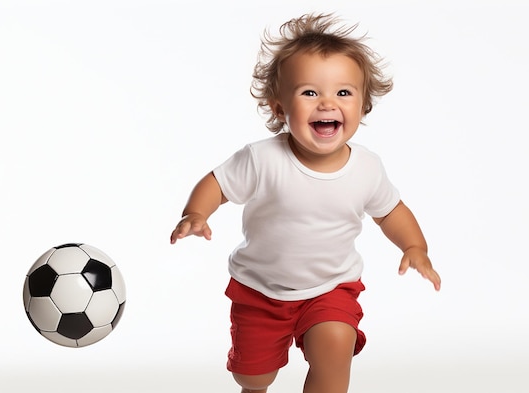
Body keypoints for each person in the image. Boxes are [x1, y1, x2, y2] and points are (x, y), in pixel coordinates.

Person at [170, 13, 441, 393]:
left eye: (344, 93)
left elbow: (391, 211)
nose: (327, 103)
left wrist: (415, 246)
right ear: (280, 107)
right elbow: (217, 184)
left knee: (335, 346)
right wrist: (196, 213)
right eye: (309, 93)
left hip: (332, 288)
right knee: (253, 376)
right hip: (260, 290)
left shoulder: (366, 168)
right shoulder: (263, 159)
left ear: (363, 106)